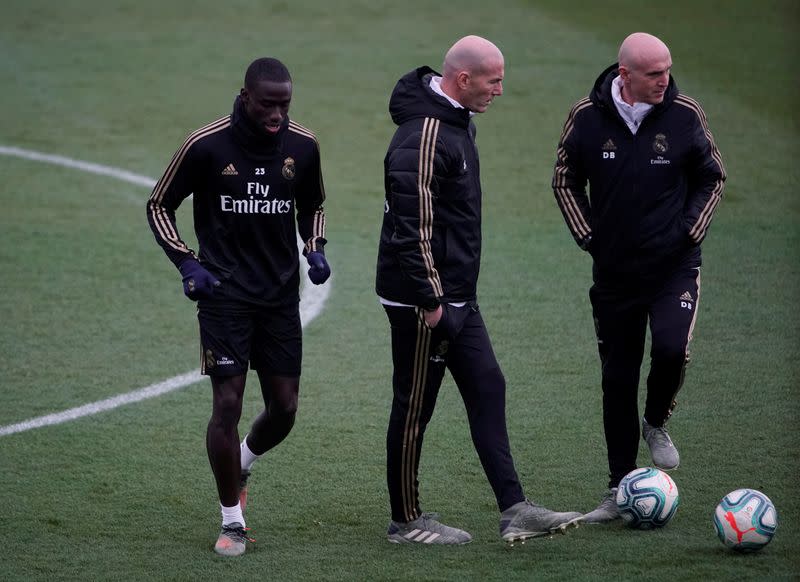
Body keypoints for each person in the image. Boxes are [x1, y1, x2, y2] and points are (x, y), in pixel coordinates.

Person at [376, 35, 582, 544]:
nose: (501, 90)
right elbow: (412, 226)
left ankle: (515, 509)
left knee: (488, 386)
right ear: (463, 80)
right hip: (425, 300)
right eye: (494, 80)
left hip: (456, 294)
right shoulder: (423, 134)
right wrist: (430, 302)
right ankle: (405, 521)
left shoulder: (455, 123)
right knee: (415, 406)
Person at [146, 57, 330, 555]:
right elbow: (159, 204)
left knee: (285, 410)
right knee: (227, 404)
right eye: (268, 103)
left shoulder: (303, 146)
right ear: (245, 96)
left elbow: (313, 204)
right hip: (223, 295)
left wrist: (315, 246)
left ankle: (244, 459)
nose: (277, 113)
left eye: (284, 103)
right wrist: (187, 263)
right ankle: (231, 521)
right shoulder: (206, 145)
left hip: (278, 296)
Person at [551, 32, 726, 523]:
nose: (664, 80)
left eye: (667, 69)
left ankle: (656, 421)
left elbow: (714, 176)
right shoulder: (586, 118)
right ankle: (618, 485)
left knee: (670, 348)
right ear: (624, 74)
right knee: (617, 378)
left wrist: (689, 231)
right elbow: (564, 178)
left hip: (674, 268)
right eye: (653, 73)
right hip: (615, 275)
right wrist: (590, 237)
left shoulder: (685, 115)